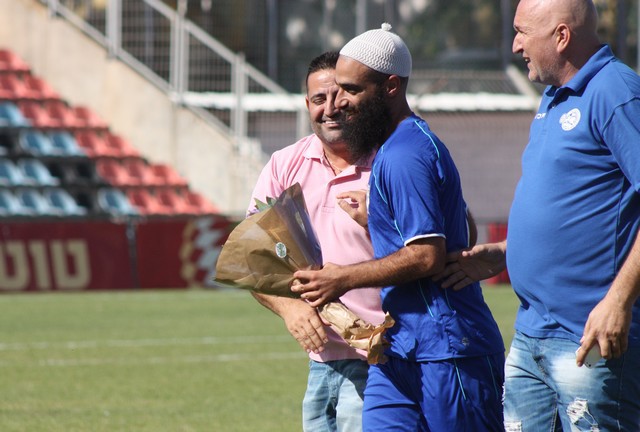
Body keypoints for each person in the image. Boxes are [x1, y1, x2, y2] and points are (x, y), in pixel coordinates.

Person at [436, 0, 640, 430]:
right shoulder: (551, 97)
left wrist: (618, 301)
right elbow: (577, 206)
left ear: (561, 36)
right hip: (532, 333)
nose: (515, 45)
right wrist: (506, 251)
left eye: (522, 32)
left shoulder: (616, 92)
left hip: (590, 337)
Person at [291, 25, 505, 432]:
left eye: (352, 90)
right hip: (399, 348)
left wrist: (342, 278)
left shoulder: (406, 153)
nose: (341, 102)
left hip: (446, 348)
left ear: (390, 86)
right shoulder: (392, 149)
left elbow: (427, 256)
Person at [247, 51, 385, 432]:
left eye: (340, 97)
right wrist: (290, 308)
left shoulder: (390, 159)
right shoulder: (284, 164)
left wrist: (381, 220)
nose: (330, 109)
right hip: (321, 364)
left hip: (382, 361)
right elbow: (252, 256)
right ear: (307, 104)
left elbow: (450, 235)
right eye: (319, 99)